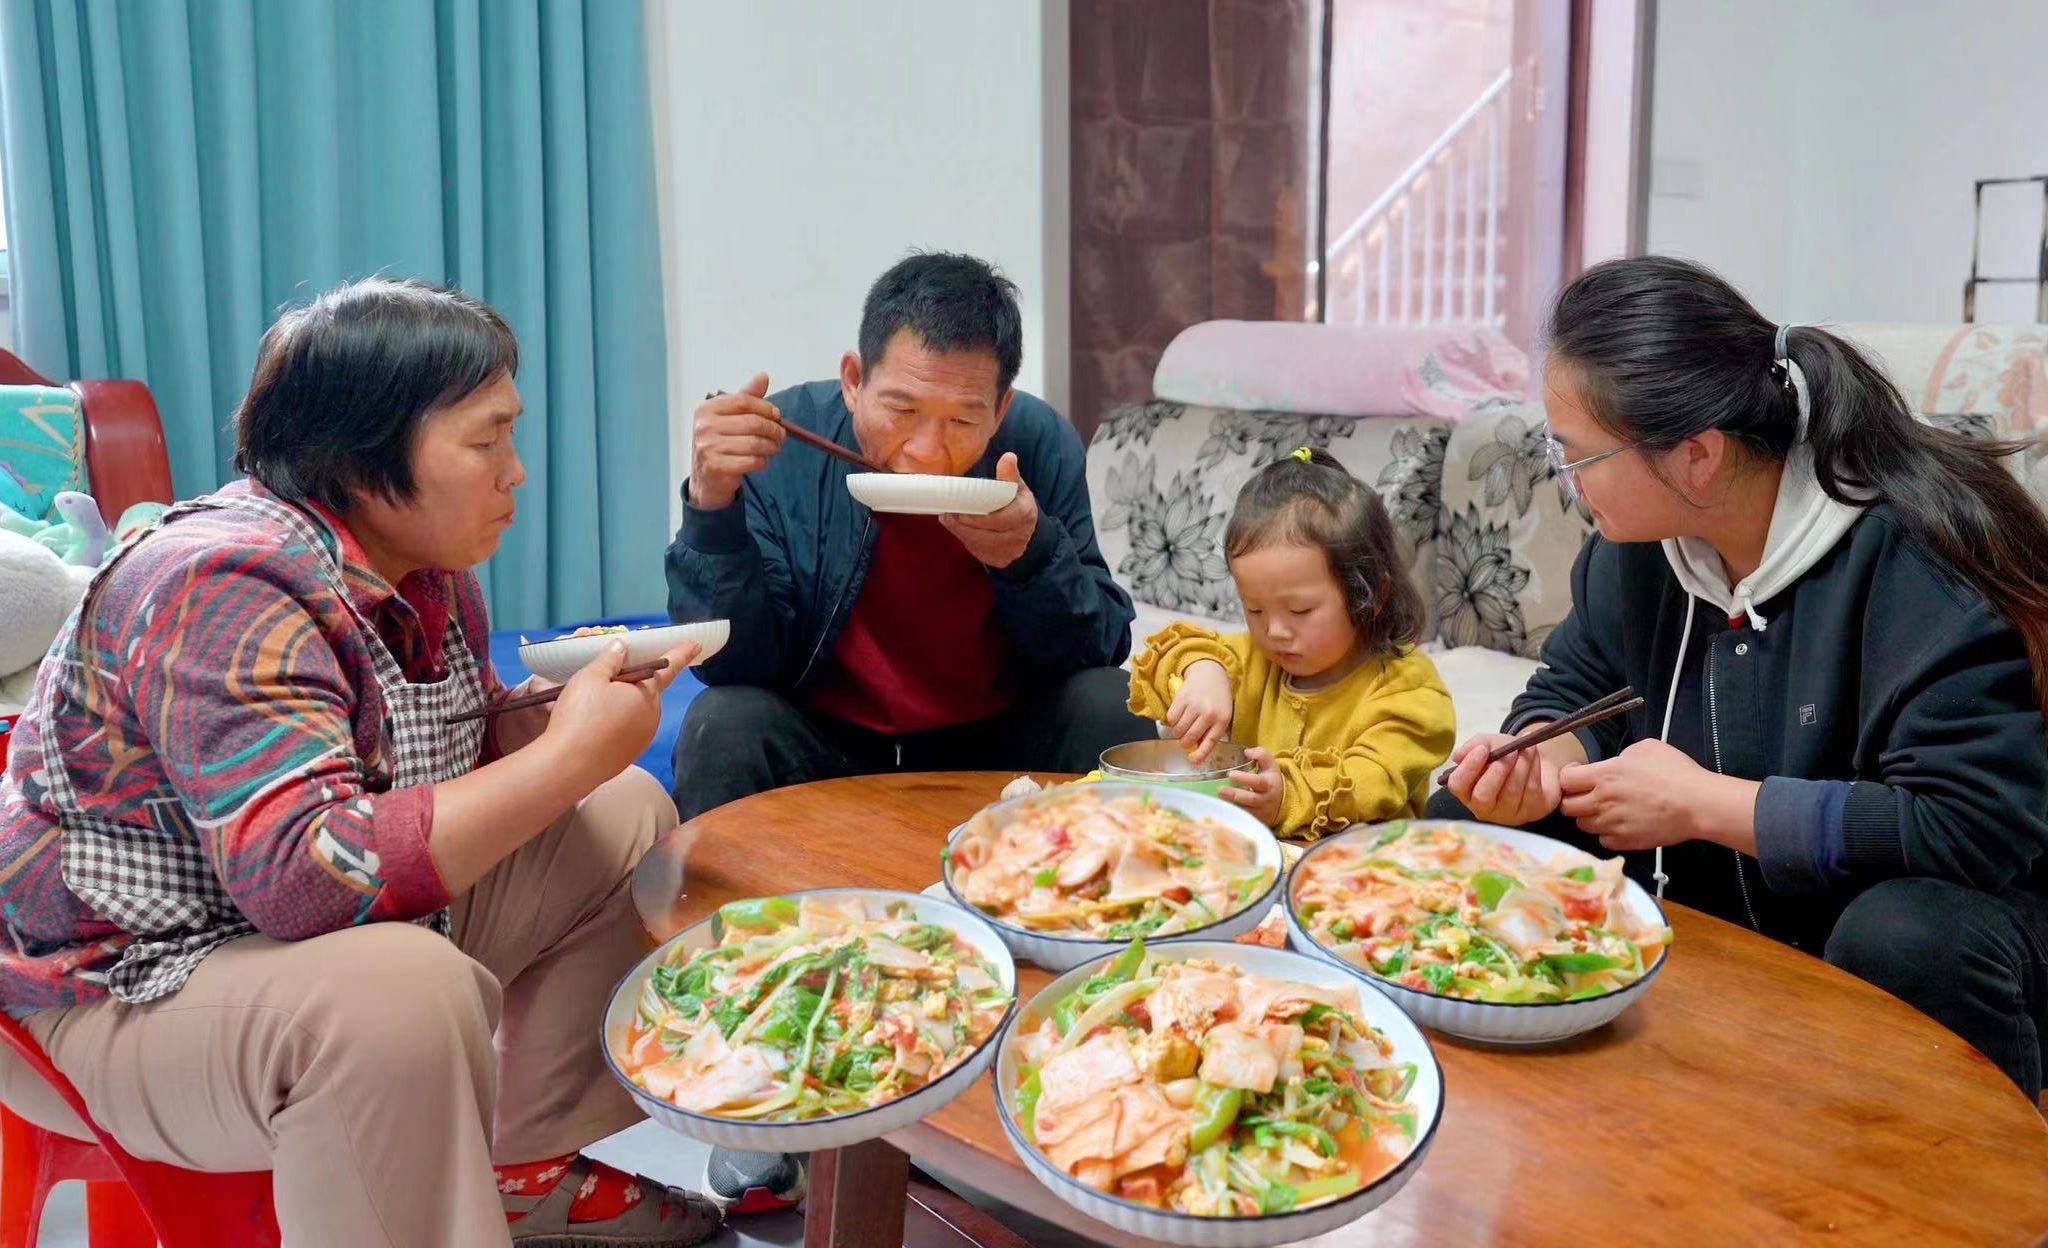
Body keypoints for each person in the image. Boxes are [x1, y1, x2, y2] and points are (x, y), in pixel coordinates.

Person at [0, 280, 721, 1246]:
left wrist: (564, 725)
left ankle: (521, 1171)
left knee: (627, 808)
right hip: (116, 992)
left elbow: (429, 746)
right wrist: (564, 759)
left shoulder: (424, 570)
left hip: (273, 940)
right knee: (400, 995)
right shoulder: (222, 580)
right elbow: (308, 881)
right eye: (485, 440)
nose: (516, 472)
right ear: (364, 454)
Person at [1437, 256, 2048, 1098]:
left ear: (1697, 457)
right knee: (1467, 825)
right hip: (1750, 891)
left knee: (1905, 936)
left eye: (1574, 453)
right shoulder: (1637, 552)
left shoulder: (1921, 558)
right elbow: (1576, 689)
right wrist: (1543, 765)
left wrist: (1704, 803)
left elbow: (1971, 828)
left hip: (1960, 913)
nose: (1562, 477)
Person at [667, 251, 1152, 819]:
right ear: (854, 381)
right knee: (722, 723)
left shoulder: (1037, 445)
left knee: (1111, 705)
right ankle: (721, 910)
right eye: (902, 408)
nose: (927, 450)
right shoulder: (783, 441)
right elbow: (730, 663)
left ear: (1000, 411)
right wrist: (712, 502)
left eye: (964, 421)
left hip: (994, 742)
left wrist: (1031, 556)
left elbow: (1100, 645)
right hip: (829, 742)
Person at [1128, 447, 1455, 838]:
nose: (1275, 631)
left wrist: (1288, 794)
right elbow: (1169, 651)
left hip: (1360, 868)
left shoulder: (1409, 689)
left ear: (1370, 592)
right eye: (1255, 610)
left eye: (1300, 611)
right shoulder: (1250, 658)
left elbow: (1375, 779)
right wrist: (1202, 670)